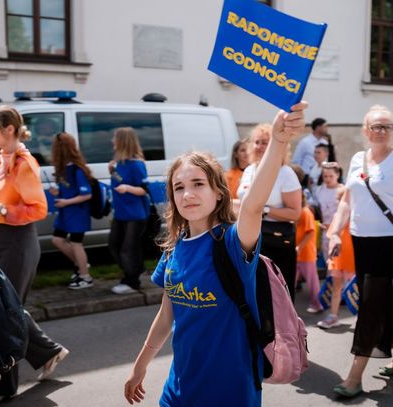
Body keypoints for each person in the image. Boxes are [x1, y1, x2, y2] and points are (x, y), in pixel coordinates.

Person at [124, 102, 307, 406]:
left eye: (198, 184)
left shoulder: (233, 243)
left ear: (219, 192)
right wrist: (139, 366)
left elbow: (252, 205)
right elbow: (167, 315)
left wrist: (278, 142)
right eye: (179, 187)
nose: (188, 194)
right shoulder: (174, 247)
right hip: (178, 388)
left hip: (231, 390)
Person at [327, 105, 393, 398]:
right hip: (361, 242)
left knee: (370, 305)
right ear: (365, 130)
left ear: (392, 131)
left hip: (390, 244)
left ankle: (354, 377)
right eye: (376, 126)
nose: (381, 131)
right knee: (388, 300)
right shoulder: (358, 159)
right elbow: (347, 200)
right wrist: (334, 232)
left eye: (386, 126)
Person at [0, 106, 69, 402]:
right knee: (7, 309)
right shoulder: (4, 158)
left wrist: (2, 210)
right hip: (5, 239)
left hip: (19, 243)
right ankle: (48, 352)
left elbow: (39, 209)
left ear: (9, 129)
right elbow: (6, 202)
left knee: (6, 312)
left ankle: (6, 384)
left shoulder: (23, 162)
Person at [238, 124, 302, 301]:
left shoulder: (285, 173)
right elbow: (243, 202)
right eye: (257, 142)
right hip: (248, 238)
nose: (259, 146)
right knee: (254, 291)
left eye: (265, 142)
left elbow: (295, 213)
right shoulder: (249, 169)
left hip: (276, 240)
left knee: (277, 294)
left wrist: (262, 209)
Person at [49, 132, 94, 289]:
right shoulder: (63, 169)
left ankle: (85, 277)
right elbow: (69, 190)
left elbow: (87, 194)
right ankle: (81, 264)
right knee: (57, 239)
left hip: (78, 213)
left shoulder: (77, 170)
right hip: (66, 213)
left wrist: (66, 202)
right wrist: (57, 193)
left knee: (76, 243)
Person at [109, 127, 149, 295]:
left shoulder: (137, 164)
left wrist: (127, 188)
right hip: (121, 213)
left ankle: (132, 281)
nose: (112, 141)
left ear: (123, 141)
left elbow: (144, 189)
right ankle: (135, 270)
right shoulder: (119, 163)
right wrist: (112, 172)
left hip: (135, 215)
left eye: (115, 138)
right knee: (114, 245)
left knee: (128, 249)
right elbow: (119, 182)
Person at [317, 185, 356, 330]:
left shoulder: (357, 217)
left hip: (352, 258)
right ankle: (333, 316)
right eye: (339, 199)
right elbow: (331, 238)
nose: (341, 202)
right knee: (336, 287)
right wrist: (330, 257)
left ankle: (361, 317)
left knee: (355, 289)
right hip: (338, 258)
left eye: (343, 199)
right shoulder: (337, 217)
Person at [295, 192, 322, 313]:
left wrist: (299, 247)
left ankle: (317, 305)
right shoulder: (295, 211)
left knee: (312, 281)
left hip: (306, 254)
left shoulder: (306, 212)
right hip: (297, 253)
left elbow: (311, 232)